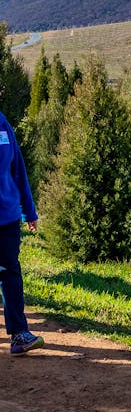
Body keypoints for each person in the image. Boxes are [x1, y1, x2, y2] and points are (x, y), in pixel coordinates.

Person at [0, 110, 44, 355]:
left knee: (10, 271)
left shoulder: (3, 123)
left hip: (6, 215)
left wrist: (30, 211)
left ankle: (19, 334)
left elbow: (17, 168)